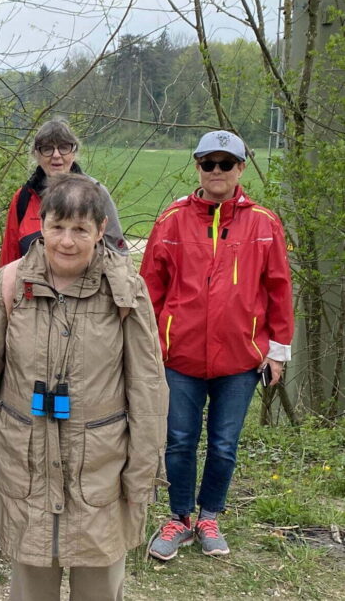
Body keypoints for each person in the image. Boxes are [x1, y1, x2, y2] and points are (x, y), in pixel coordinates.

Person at [0, 173, 168, 601]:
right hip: (27, 464)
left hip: (100, 468)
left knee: (98, 588)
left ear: (100, 231)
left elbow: (148, 390)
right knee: (30, 586)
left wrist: (141, 474)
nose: (67, 241)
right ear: (42, 225)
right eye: (57, 226)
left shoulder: (126, 292)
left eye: (80, 229)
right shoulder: (11, 284)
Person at [142, 131, 294, 561]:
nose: (216, 172)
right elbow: (151, 289)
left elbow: (279, 288)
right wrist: (149, 347)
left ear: (240, 168)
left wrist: (277, 350)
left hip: (241, 358)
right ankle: (178, 519)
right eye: (208, 163)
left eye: (225, 164)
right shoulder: (170, 220)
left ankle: (210, 516)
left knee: (225, 443)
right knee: (179, 440)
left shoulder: (264, 222)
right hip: (180, 357)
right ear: (197, 167)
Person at [0, 119, 127, 266]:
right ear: (36, 154)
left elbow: (118, 258)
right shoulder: (23, 198)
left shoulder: (96, 193)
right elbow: (9, 257)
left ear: (74, 152)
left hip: (88, 287)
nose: (56, 155)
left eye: (64, 147)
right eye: (47, 148)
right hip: (31, 287)